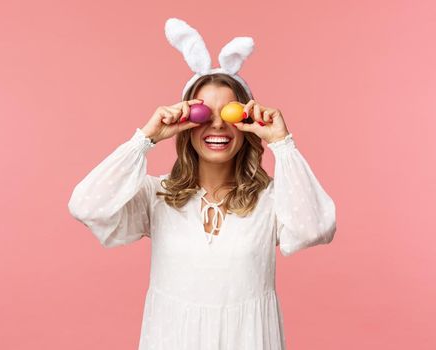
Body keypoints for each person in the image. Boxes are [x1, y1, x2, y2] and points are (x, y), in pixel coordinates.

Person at [66, 18, 337, 350]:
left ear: (247, 122)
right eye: (203, 114)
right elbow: (85, 205)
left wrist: (283, 143)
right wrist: (145, 139)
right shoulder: (157, 196)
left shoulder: (271, 199)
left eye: (230, 113)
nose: (218, 125)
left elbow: (316, 228)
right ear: (185, 123)